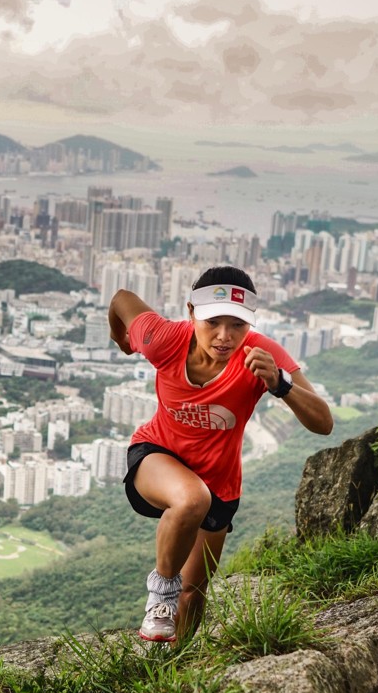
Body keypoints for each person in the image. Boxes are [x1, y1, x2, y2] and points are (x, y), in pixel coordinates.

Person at [107, 266, 333, 643]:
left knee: (194, 590)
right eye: (213, 321)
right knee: (191, 498)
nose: (224, 336)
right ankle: (159, 595)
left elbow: (323, 422)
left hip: (220, 481)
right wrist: (124, 341)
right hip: (157, 456)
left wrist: (280, 383)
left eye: (238, 325)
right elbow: (120, 300)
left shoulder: (261, 353)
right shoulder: (162, 338)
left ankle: (172, 663)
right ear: (191, 311)